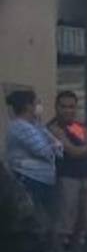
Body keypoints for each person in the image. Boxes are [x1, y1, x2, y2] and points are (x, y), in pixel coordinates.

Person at [47, 90, 87, 252]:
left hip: (86, 178)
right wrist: (85, 149)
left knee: (81, 222)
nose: (68, 110)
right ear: (56, 107)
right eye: (63, 106)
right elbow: (72, 151)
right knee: (65, 223)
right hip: (66, 178)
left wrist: (83, 149)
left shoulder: (77, 127)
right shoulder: (52, 128)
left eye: (71, 107)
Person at [5, 90, 61, 225]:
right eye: (37, 103)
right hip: (30, 179)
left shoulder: (36, 125)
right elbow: (44, 151)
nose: (39, 106)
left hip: (44, 180)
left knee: (48, 220)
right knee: (36, 221)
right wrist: (55, 144)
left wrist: (56, 144)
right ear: (28, 106)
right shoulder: (20, 126)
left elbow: (59, 150)